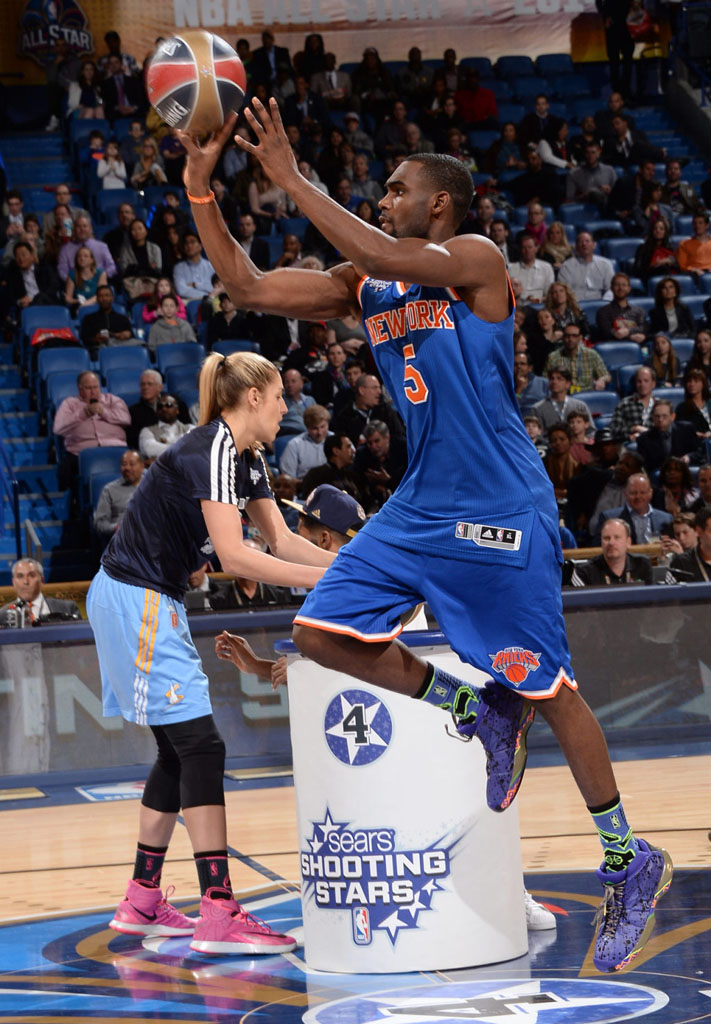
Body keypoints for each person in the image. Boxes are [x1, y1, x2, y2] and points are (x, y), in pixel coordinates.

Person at [178, 101, 672, 973]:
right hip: (417, 506)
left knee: (550, 688)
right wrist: (199, 191)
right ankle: (471, 709)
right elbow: (251, 287)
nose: (387, 196)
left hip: (500, 504)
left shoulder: (473, 263)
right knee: (320, 632)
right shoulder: (369, 284)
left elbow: (379, 250)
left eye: (399, 190)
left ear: (438, 205)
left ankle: (627, 858)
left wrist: (293, 178)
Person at [86, 351, 334, 955]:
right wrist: (330, 583)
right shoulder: (214, 448)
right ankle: (218, 910)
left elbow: (279, 539)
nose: (286, 407)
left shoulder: (244, 457)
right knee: (201, 745)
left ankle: (143, 899)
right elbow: (238, 557)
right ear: (251, 396)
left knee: (178, 750)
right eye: (280, 397)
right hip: (136, 598)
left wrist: (355, 569)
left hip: (143, 599)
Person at [53, 370, 130, 488]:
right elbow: (58, 428)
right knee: (66, 468)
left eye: (96, 387)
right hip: (80, 452)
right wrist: (83, 413)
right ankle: (73, 502)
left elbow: (126, 419)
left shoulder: (112, 400)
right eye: (89, 388)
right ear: (80, 388)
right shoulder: (69, 404)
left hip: (116, 448)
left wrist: (104, 412)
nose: (93, 392)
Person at [570, 518, 652, 587]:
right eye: (606, 538)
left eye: (617, 537)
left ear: (628, 542)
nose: (611, 543)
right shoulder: (584, 572)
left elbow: (651, 601)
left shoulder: (642, 565)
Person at [0, 558, 81, 627]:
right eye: (20, 576)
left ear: (42, 580)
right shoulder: (2, 615)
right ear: (13, 582)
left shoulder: (68, 609)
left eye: (31, 575)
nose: (25, 581)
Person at [598, 471, 673, 543]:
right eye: (633, 493)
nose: (638, 497)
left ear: (650, 494)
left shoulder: (666, 519)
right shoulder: (609, 518)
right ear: (626, 494)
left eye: (642, 492)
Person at [94, 449, 145, 541]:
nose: (127, 468)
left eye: (132, 464)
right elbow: (100, 523)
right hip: (124, 539)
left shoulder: (154, 486)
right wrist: (115, 528)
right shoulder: (109, 490)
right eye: (124, 464)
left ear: (142, 466)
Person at [544, 323, 610, 392]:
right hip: (564, 395)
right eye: (567, 336)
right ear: (563, 337)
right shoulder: (553, 357)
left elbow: (606, 375)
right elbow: (546, 380)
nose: (570, 339)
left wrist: (602, 380)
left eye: (574, 336)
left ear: (580, 338)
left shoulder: (591, 354)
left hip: (586, 394)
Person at [79, 284, 135, 358]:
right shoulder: (88, 318)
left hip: (122, 347)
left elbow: (131, 336)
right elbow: (84, 339)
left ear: (112, 298)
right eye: (101, 296)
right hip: (100, 350)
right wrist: (96, 339)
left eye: (107, 295)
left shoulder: (122, 318)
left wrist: (128, 335)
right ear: (97, 299)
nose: (104, 298)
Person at [279, 403, 331, 482]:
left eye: (323, 427)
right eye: (314, 428)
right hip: (305, 488)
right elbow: (288, 479)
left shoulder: (337, 440)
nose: (319, 432)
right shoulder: (294, 445)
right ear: (307, 427)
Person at [558, 232, 615, 303]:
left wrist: (604, 302)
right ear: (576, 247)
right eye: (581, 242)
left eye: (587, 241)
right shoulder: (567, 266)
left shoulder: (605, 264)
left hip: (599, 305)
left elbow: (611, 288)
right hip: (575, 304)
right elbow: (563, 291)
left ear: (594, 245)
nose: (584, 244)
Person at [609, 365, 657, 442]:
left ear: (653, 384)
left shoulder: (659, 404)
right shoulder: (625, 403)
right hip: (632, 445)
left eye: (646, 381)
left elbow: (668, 429)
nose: (642, 385)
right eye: (639, 381)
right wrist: (633, 429)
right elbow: (614, 429)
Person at [564, 141, 616, 211]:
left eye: (593, 152)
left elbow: (618, 196)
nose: (590, 156)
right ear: (584, 154)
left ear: (599, 153)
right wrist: (584, 196)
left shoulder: (609, 170)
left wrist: (610, 191)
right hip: (582, 209)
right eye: (587, 152)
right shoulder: (573, 173)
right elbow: (569, 200)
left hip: (605, 209)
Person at [596, 273, 646, 344]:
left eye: (624, 285)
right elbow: (607, 332)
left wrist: (628, 331)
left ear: (629, 289)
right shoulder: (603, 311)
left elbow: (643, 328)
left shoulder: (639, 311)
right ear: (611, 288)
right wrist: (630, 337)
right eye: (617, 285)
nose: (620, 288)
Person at [139, 394, 194, 460]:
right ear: (156, 411)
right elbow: (150, 450)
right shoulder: (146, 431)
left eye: (168, 405)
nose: (164, 409)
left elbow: (197, 448)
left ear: (177, 410)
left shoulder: (191, 429)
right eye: (160, 406)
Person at [507, 235, 554, 304]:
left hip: (540, 305)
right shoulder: (510, 268)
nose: (527, 251)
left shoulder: (546, 267)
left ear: (536, 248)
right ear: (520, 249)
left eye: (530, 247)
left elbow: (550, 293)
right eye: (524, 248)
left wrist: (539, 300)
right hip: (517, 305)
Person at [669, 506, 711, 581]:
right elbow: (669, 591)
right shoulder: (681, 563)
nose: (681, 538)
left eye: (685, 532)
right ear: (699, 531)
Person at [64, 245, 107, 314]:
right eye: (79, 256)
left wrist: (85, 304)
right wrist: (77, 301)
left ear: (92, 260)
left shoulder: (100, 273)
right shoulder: (72, 274)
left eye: (85, 256)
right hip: (78, 307)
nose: (82, 258)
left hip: (97, 306)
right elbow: (68, 298)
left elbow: (101, 295)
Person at [633, 219, 678, 283]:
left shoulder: (670, 248)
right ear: (652, 231)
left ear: (665, 232)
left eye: (661, 229)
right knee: (664, 268)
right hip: (650, 276)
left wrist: (669, 261)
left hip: (670, 277)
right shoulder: (643, 248)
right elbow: (638, 269)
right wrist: (656, 265)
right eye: (655, 228)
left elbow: (678, 265)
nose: (658, 231)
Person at [674, 369, 711, 438]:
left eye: (696, 381)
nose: (692, 384)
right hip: (696, 442)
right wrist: (697, 434)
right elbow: (680, 430)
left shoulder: (709, 403)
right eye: (689, 381)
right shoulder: (682, 408)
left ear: (703, 384)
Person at [676, 211, 711, 280]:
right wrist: (693, 269)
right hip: (694, 273)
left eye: (700, 223)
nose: (697, 226)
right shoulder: (684, 244)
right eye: (695, 223)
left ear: (707, 225)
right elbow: (682, 265)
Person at [513, 351, 549, 415]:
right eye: (515, 364)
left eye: (522, 364)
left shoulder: (543, 383)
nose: (519, 366)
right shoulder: (508, 385)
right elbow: (512, 409)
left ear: (529, 368)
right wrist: (519, 389)